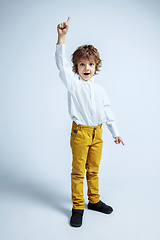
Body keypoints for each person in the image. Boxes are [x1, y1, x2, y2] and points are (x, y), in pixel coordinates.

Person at [55, 16, 124, 227]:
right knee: (78, 171)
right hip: (81, 134)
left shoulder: (100, 89)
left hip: (98, 133)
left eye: (91, 64)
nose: (87, 67)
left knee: (93, 170)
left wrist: (115, 132)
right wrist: (61, 37)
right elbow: (60, 64)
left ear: (96, 66)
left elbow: (107, 111)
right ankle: (78, 206)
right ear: (76, 67)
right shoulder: (73, 84)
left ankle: (93, 200)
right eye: (82, 64)